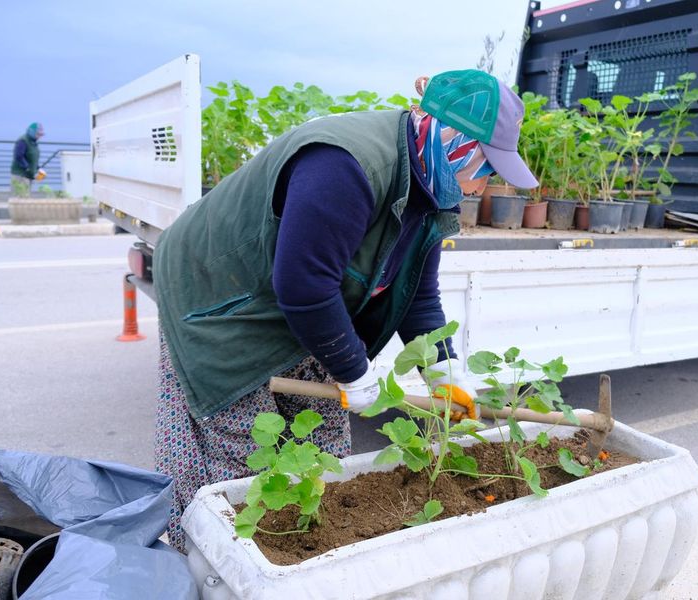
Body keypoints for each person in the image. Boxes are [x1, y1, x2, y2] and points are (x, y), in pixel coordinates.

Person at [152, 69, 539, 550]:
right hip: (216, 298)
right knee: (238, 464)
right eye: (486, 169)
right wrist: (354, 371)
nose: (485, 187)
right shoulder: (345, 164)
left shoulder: (432, 183)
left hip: (298, 305)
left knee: (325, 446)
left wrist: (444, 367)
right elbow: (304, 286)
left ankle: (309, 556)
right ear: (456, 143)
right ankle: (212, 565)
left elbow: (418, 291)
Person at [10, 122, 44, 196]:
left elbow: (32, 158)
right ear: (32, 132)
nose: (39, 137)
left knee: (25, 198)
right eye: (38, 134)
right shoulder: (23, 140)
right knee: (19, 198)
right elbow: (18, 156)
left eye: (40, 135)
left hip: (28, 176)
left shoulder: (33, 143)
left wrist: (38, 168)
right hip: (20, 175)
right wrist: (27, 168)